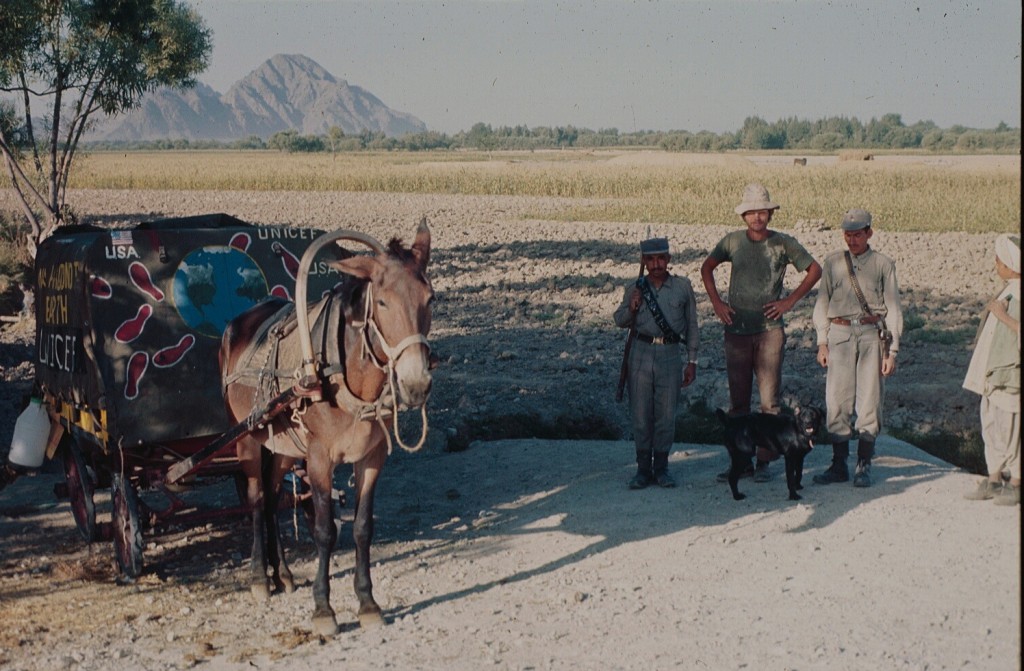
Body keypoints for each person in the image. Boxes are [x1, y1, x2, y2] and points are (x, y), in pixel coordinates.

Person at [701, 184, 821, 484]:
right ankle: (741, 462)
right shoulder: (732, 242)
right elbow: (707, 268)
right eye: (752, 212)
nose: (757, 217)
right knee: (738, 404)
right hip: (737, 332)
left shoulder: (782, 244)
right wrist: (718, 304)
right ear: (744, 215)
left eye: (762, 212)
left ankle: (765, 461)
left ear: (770, 213)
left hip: (770, 333)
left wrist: (789, 302)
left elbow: (815, 270)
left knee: (770, 403)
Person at [811, 209, 903, 488]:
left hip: (871, 334)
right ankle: (839, 464)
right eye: (848, 235)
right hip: (839, 333)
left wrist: (892, 351)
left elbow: (894, 309)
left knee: (870, 400)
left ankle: (864, 464)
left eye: (858, 234)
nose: (852, 240)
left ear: (869, 233)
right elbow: (822, 303)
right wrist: (822, 341)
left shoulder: (883, 265)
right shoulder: (833, 263)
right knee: (837, 401)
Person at [614, 236, 699, 489]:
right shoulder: (635, 288)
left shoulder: (683, 287)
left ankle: (661, 469)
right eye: (650, 259)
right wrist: (632, 307)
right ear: (644, 261)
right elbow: (619, 320)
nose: (656, 264)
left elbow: (692, 325)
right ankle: (642, 470)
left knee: (665, 416)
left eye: (661, 258)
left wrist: (692, 360)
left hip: (670, 355)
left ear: (669, 259)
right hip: (640, 352)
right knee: (640, 415)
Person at [962, 234, 1020, 506]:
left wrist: (1003, 316)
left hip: (1010, 374)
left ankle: (1016, 482)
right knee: (991, 424)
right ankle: (994, 478)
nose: (996, 265)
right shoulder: (1008, 290)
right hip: (993, 373)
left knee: (1010, 428)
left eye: (999, 261)